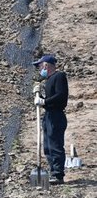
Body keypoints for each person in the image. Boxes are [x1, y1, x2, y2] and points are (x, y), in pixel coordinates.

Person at [33, 54, 69, 185]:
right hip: (48, 115)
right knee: (47, 146)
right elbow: (49, 101)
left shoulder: (59, 77)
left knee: (55, 145)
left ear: (46, 65)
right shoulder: (49, 80)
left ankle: (58, 175)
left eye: (39, 66)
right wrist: (40, 97)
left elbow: (61, 96)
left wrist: (44, 100)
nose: (39, 70)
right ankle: (53, 171)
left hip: (56, 116)